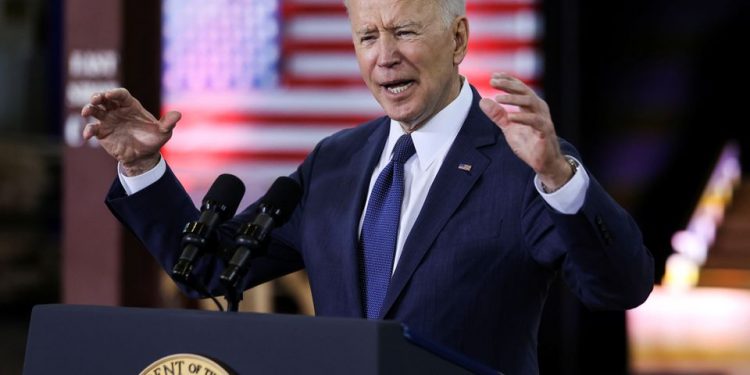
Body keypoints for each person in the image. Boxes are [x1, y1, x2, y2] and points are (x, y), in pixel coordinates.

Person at [81, 0, 654, 372]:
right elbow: (212, 267)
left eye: (404, 31)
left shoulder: (525, 163)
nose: (385, 58)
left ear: (457, 40)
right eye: (366, 37)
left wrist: (558, 178)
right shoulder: (337, 161)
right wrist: (141, 168)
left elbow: (619, 288)